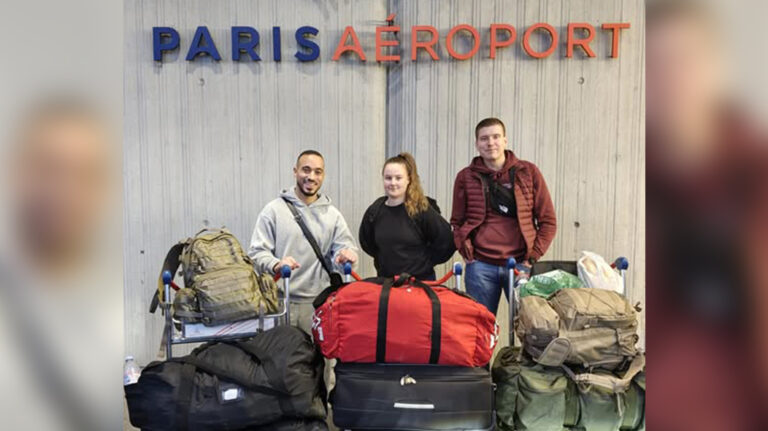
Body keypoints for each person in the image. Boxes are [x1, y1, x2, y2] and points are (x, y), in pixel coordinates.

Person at [450, 117, 557, 314]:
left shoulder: (528, 172)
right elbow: (456, 221)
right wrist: (467, 253)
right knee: (480, 330)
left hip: (520, 266)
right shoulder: (465, 177)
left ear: (505, 140)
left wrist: (531, 259)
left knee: (531, 328)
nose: (490, 143)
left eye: (496, 137)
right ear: (477, 144)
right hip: (480, 266)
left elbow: (548, 221)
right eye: (484, 138)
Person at [248, 150, 358, 335]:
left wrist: (347, 255)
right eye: (306, 170)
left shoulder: (333, 215)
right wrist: (276, 264)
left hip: (320, 303)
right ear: (295, 171)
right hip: (280, 303)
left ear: (323, 175)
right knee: (281, 362)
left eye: (318, 172)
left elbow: (345, 250)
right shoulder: (273, 211)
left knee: (320, 362)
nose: (311, 177)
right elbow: (257, 253)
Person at [359, 152, 455, 280]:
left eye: (398, 178)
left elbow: (446, 240)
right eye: (388, 178)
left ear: (409, 179)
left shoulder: (421, 209)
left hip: (420, 284)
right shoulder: (375, 210)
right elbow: (367, 243)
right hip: (386, 284)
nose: (393, 183)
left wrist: (425, 263)